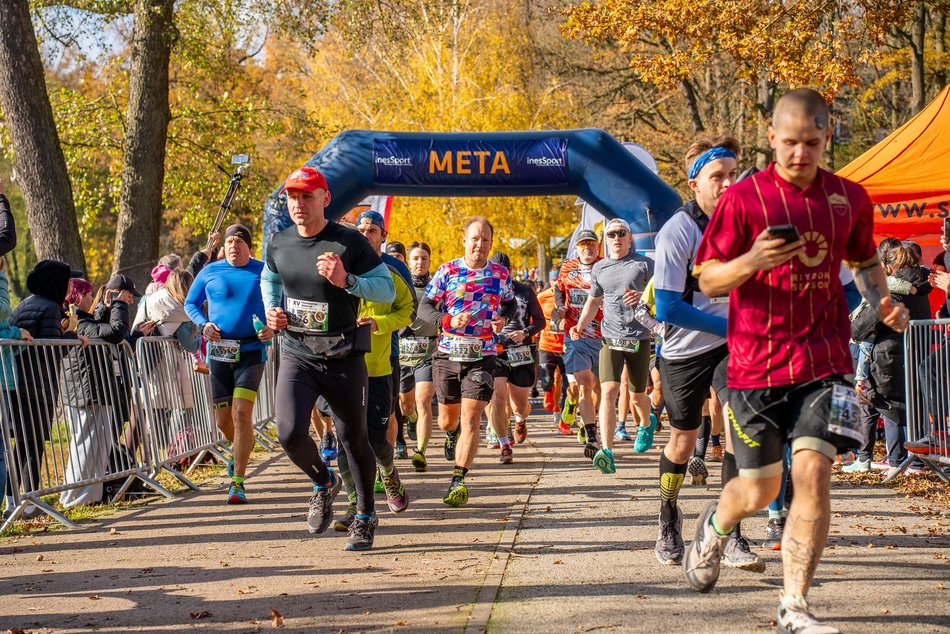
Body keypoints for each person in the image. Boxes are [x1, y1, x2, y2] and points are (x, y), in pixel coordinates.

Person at [681, 88, 910, 633]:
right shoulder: (744, 199)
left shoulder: (850, 198)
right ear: (771, 139)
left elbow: (863, 261)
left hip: (821, 360)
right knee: (757, 491)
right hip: (755, 366)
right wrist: (752, 259)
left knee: (813, 475)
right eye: (789, 143)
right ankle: (714, 526)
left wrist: (882, 302)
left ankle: (794, 604)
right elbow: (707, 278)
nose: (800, 154)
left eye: (811, 143)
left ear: (827, 137)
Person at [263, 166, 395, 551]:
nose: (299, 204)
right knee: (288, 432)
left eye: (307, 195)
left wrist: (347, 282)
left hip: (342, 354)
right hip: (297, 350)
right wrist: (273, 310)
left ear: (325, 198)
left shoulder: (349, 242)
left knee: (354, 438)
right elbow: (271, 279)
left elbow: (385, 290)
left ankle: (366, 516)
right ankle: (323, 482)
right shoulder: (279, 241)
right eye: (292, 196)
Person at [651, 135, 758, 569]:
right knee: (682, 440)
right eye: (718, 176)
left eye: (733, 174)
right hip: (683, 349)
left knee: (738, 427)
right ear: (695, 182)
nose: (728, 183)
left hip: (732, 346)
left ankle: (729, 531)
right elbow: (668, 306)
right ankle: (667, 517)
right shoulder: (678, 231)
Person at [417, 216, 515, 506]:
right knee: (449, 421)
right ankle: (450, 436)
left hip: (482, 355)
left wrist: (503, 318)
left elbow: (509, 301)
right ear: (464, 240)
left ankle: (458, 480)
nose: (480, 244)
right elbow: (424, 307)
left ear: (491, 243)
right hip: (448, 352)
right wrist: (447, 319)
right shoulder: (448, 271)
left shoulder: (500, 274)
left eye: (485, 239)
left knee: (471, 417)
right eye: (475, 238)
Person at [326, 209, 414, 527]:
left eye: (372, 230)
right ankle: (354, 505)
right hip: (341, 366)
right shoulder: (338, 269)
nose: (365, 234)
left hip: (379, 365)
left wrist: (381, 323)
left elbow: (408, 310)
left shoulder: (391, 271)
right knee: (345, 438)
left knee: (375, 437)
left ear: (383, 236)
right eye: (360, 229)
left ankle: (389, 475)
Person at [185, 224, 273, 505]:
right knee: (224, 421)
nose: (234, 245)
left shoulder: (264, 271)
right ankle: (243, 445)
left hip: (251, 349)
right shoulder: (210, 271)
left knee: (241, 414)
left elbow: (279, 304)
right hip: (219, 351)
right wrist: (204, 324)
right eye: (229, 241)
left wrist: (271, 327)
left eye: (239, 241)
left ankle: (237, 483)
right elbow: (190, 304)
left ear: (250, 246)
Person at [59, 276, 154, 508]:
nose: (92, 298)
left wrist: (137, 336)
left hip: (99, 390)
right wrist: (118, 304)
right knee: (86, 444)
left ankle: (90, 496)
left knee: (99, 446)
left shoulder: (90, 321)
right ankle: (74, 497)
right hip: (87, 392)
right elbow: (115, 332)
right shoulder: (81, 323)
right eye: (89, 294)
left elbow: (116, 342)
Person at [571, 218, 654, 473]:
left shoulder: (645, 264)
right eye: (611, 235)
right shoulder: (601, 268)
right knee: (608, 391)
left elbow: (664, 293)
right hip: (610, 337)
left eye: (621, 234)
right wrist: (580, 325)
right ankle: (606, 451)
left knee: (638, 396)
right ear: (605, 241)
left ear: (630, 238)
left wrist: (643, 296)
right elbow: (593, 302)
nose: (616, 238)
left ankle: (646, 423)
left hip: (639, 338)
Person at [486, 251, 545, 463]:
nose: (498, 275)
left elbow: (540, 321)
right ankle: (504, 445)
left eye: (503, 271)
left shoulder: (524, 291)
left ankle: (520, 420)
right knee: (498, 398)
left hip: (520, 351)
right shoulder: (482, 290)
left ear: (509, 271)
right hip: (495, 351)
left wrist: (525, 332)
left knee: (520, 405)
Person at [555, 231, 603, 457]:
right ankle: (592, 435)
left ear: (598, 247)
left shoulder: (606, 266)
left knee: (599, 387)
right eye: (583, 244)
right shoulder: (567, 267)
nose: (588, 248)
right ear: (577, 247)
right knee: (584, 383)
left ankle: (587, 419)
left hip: (603, 335)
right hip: (575, 334)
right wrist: (560, 307)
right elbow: (558, 288)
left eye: (591, 244)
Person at [397, 241, 439, 473]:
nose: (419, 262)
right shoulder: (399, 285)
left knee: (424, 400)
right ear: (408, 261)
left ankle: (421, 451)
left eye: (423, 258)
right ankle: (410, 419)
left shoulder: (436, 287)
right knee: (406, 404)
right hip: (403, 352)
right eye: (415, 258)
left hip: (428, 352)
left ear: (429, 261)